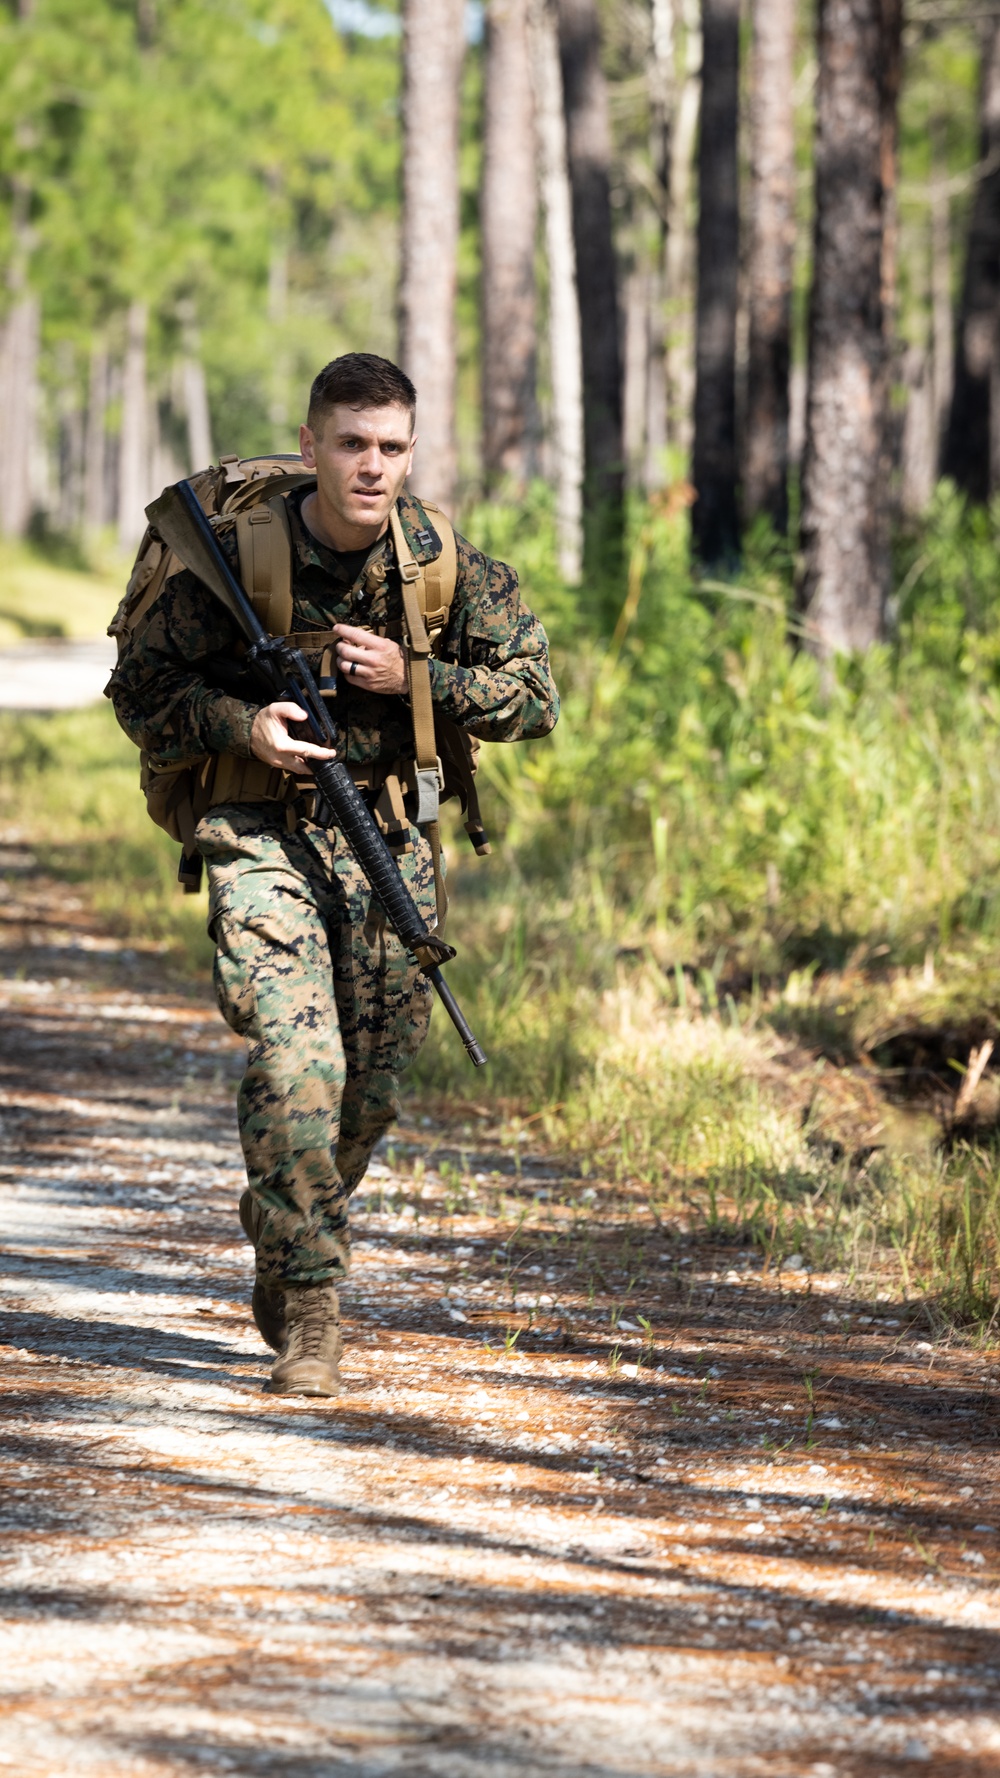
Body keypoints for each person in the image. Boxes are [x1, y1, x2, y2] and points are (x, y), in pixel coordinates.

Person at [107, 352, 559, 1398]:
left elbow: (533, 698)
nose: (371, 467)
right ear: (310, 445)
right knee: (296, 1058)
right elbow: (136, 693)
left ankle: (283, 1212)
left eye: (391, 447)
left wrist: (419, 677)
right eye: (350, 443)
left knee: (369, 1091)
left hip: (390, 837)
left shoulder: (443, 563)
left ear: (411, 452)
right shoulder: (233, 558)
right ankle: (312, 1311)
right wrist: (241, 725)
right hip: (259, 832)